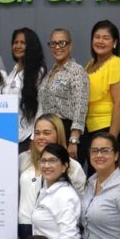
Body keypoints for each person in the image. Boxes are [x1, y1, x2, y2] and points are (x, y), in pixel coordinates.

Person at [18, 114, 86, 239]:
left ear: (58, 134)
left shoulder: (72, 166)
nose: (41, 137)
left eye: (46, 133)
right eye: (37, 133)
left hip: (54, 230)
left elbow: (81, 205)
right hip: (25, 228)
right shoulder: (23, 159)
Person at [80, 20, 120, 168]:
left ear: (114, 42)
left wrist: (111, 139)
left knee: (102, 175)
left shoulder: (117, 64)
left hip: (109, 128)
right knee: (92, 177)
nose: (100, 41)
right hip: (90, 129)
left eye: (106, 38)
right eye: (97, 37)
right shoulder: (89, 65)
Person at [37, 28, 89, 156]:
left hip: (68, 132)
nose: (57, 47)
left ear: (70, 46)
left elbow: (80, 106)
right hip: (50, 132)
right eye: (53, 43)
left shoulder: (77, 71)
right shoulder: (50, 74)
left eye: (62, 43)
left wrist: (74, 139)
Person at [30, 143, 81, 239]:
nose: (46, 165)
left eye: (53, 161)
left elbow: (69, 237)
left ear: (64, 167)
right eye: (43, 161)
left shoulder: (64, 195)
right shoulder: (46, 190)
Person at [6, 28, 47, 152]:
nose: (18, 46)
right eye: (15, 42)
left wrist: (35, 138)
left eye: (23, 43)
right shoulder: (12, 72)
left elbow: (41, 108)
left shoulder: (38, 73)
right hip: (10, 137)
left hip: (27, 138)